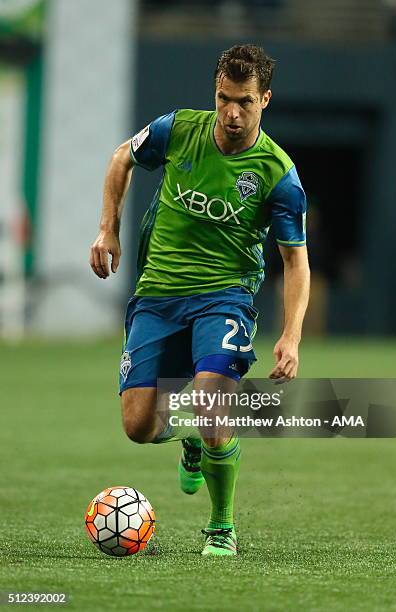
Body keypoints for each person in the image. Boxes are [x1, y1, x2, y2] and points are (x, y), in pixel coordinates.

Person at [89, 44, 310, 556]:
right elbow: (122, 156)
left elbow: (295, 263)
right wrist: (108, 230)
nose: (232, 113)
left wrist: (291, 335)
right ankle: (186, 438)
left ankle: (221, 527)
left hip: (224, 299)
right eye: (223, 99)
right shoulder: (177, 130)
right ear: (215, 92)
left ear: (266, 100)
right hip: (158, 294)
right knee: (137, 427)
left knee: (213, 399)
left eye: (245, 103)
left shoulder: (278, 175)